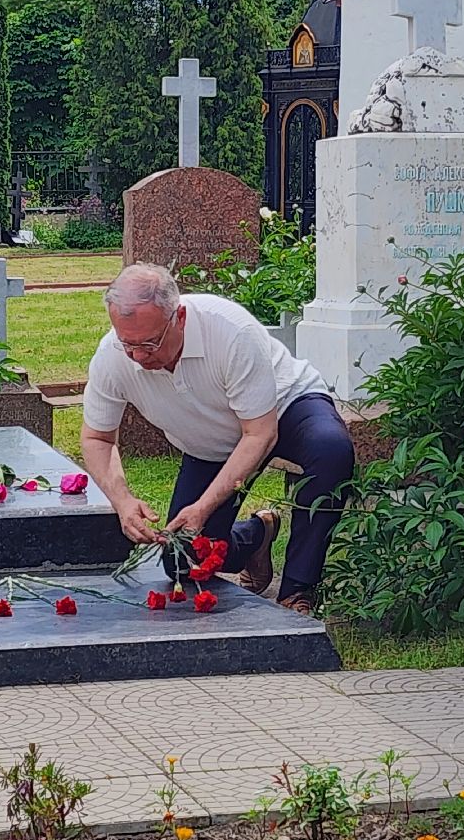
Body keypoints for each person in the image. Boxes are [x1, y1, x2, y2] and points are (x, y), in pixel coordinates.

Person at [79, 263, 355, 614]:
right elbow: (97, 438)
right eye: (127, 343)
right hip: (212, 444)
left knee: (331, 451)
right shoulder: (111, 357)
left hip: (284, 409)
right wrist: (122, 500)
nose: (137, 356)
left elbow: (259, 433)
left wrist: (204, 506)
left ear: (179, 317)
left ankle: (298, 590)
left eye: (149, 343)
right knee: (182, 562)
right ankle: (256, 536)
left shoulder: (230, 331)